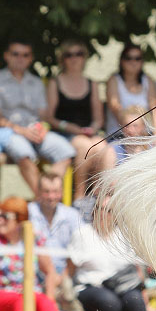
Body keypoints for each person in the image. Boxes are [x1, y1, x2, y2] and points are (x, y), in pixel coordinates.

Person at [66, 203, 156, 311]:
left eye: (109, 210)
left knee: (136, 300)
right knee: (109, 302)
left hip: (122, 286)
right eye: (101, 208)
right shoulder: (82, 233)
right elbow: (69, 270)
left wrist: (147, 303)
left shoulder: (123, 235)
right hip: (88, 287)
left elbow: (136, 273)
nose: (105, 214)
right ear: (94, 211)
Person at [0, 40, 75, 193]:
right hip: (9, 132)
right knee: (24, 154)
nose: (20, 58)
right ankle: (42, 200)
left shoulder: (37, 83)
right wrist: (23, 131)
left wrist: (43, 128)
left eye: (25, 55)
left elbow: (44, 117)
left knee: (66, 151)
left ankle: (49, 193)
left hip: (35, 131)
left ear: (31, 58)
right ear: (6, 56)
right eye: (15, 54)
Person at [45, 40, 117, 202]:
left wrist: (92, 128)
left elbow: (98, 118)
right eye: (69, 55)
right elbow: (50, 117)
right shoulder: (55, 83)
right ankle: (79, 196)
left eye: (79, 54)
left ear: (84, 58)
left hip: (88, 132)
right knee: (84, 145)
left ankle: (101, 197)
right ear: (63, 59)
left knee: (103, 146)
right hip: (64, 132)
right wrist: (71, 128)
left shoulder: (91, 83)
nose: (74, 58)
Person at [106, 42, 156, 138]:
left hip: (145, 135)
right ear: (121, 61)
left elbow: (155, 111)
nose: (133, 62)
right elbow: (115, 108)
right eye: (128, 58)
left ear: (142, 62)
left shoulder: (147, 80)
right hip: (120, 135)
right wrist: (132, 130)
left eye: (137, 58)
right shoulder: (114, 80)